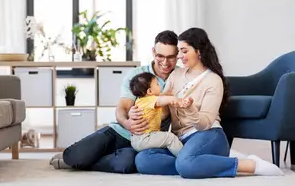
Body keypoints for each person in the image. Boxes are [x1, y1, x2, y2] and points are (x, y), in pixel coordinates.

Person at [134, 27, 284, 178]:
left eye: (184, 51)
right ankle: (200, 163)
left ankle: (249, 164)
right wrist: (143, 114)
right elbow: (164, 110)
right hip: (180, 140)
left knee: (185, 164)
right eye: (179, 51)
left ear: (198, 51)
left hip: (207, 135)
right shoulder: (176, 75)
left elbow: (204, 124)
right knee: (143, 160)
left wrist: (190, 108)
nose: (180, 56)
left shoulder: (213, 80)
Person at [50, 30, 179, 172]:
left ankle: (84, 162)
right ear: (153, 52)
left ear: (178, 55)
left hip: (144, 140)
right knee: (73, 156)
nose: (165, 63)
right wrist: (127, 123)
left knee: (125, 164)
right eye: (160, 56)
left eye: (171, 57)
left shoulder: (181, 77)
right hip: (119, 131)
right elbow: (122, 108)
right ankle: (76, 159)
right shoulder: (137, 75)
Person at [129, 72, 192, 156]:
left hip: (137, 139)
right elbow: (163, 100)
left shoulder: (141, 100)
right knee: (170, 138)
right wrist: (177, 100)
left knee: (162, 140)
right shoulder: (151, 100)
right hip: (145, 138)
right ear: (150, 91)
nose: (160, 86)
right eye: (157, 84)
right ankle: (184, 158)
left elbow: (161, 96)